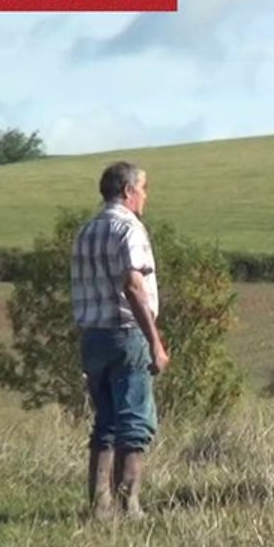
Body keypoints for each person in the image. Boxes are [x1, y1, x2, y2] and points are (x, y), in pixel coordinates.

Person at [71, 161, 170, 520]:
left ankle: (99, 505)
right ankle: (130, 504)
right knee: (133, 421)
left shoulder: (87, 230)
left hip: (92, 336)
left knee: (105, 423)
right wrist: (155, 342)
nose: (146, 195)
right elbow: (132, 285)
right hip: (126, 333)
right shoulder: (128, 229)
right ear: (128, 191)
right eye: (143, 188)